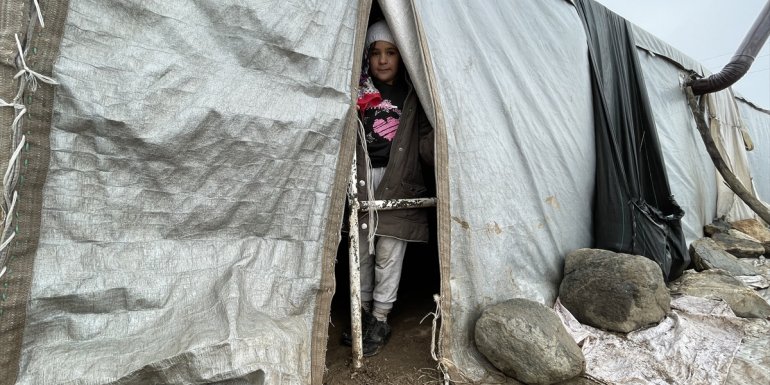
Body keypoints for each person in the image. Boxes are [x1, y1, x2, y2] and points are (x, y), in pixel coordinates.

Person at [344, 19, 434, 357]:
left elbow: (427, 139)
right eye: (376, 53)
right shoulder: (358, 93)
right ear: (366, 57)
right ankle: (362, 314)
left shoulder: (413, 95)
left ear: (402, 56)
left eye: (391, 52)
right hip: (365, 178)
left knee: (388, 252)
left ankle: (381, 316)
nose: (383, 60)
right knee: (362, 250)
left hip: (398, 180)